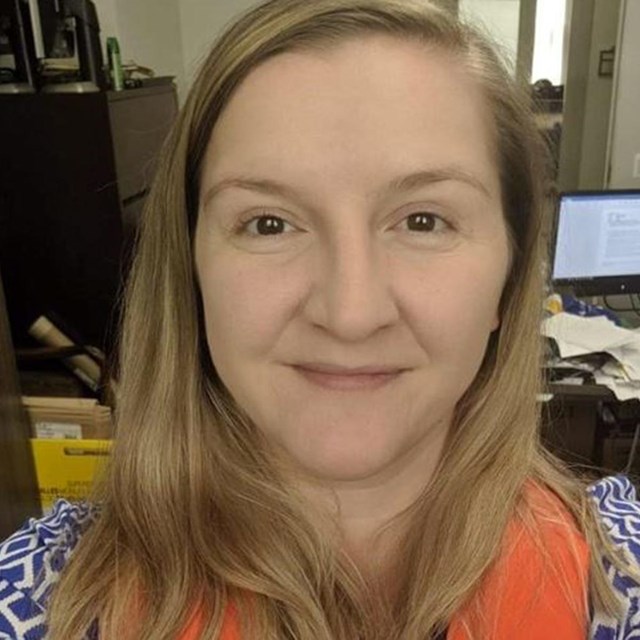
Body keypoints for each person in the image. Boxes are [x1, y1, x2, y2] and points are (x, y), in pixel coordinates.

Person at [2, 0, 640, 638]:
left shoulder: (621, 581)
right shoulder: (38, 600)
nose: (351, 314)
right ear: (190, 272)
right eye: (269, 223)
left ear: (511, 271)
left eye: (423, 220)